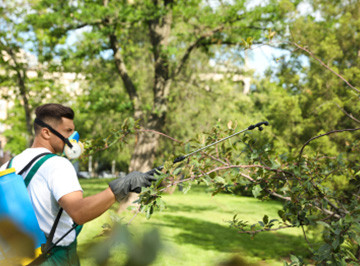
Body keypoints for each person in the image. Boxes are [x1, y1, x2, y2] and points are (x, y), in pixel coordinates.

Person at [0, 103, 154, 265]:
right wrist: (121, 187)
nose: (74, 137)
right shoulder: (57, 165)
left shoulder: (7, 166)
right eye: (68, 131)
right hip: (55, 258)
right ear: (46, 132)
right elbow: (79, 212)